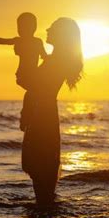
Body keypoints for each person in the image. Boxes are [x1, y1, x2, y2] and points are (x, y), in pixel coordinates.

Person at [21, 17, 83, 206]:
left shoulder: (56, 61)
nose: (47, 30)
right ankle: (44, 213)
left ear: (62, 35)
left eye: (53, 28)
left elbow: (33, 84)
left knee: (40, 163)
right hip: (43, 112)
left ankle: (43, 216)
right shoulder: (54, 59)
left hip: (43, 114)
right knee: (41, 164)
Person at [0, 12, 47, 131]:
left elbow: (45, 57)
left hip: (35, 75)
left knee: (35, 93)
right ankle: (25, 116)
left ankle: (29, 115)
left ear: (33, 28)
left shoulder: (37, 42)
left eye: (24, 27)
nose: (21, 30)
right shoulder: (19, 40)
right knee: (34, 91)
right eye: (19, 27)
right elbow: (3, 41)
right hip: (23, 75)